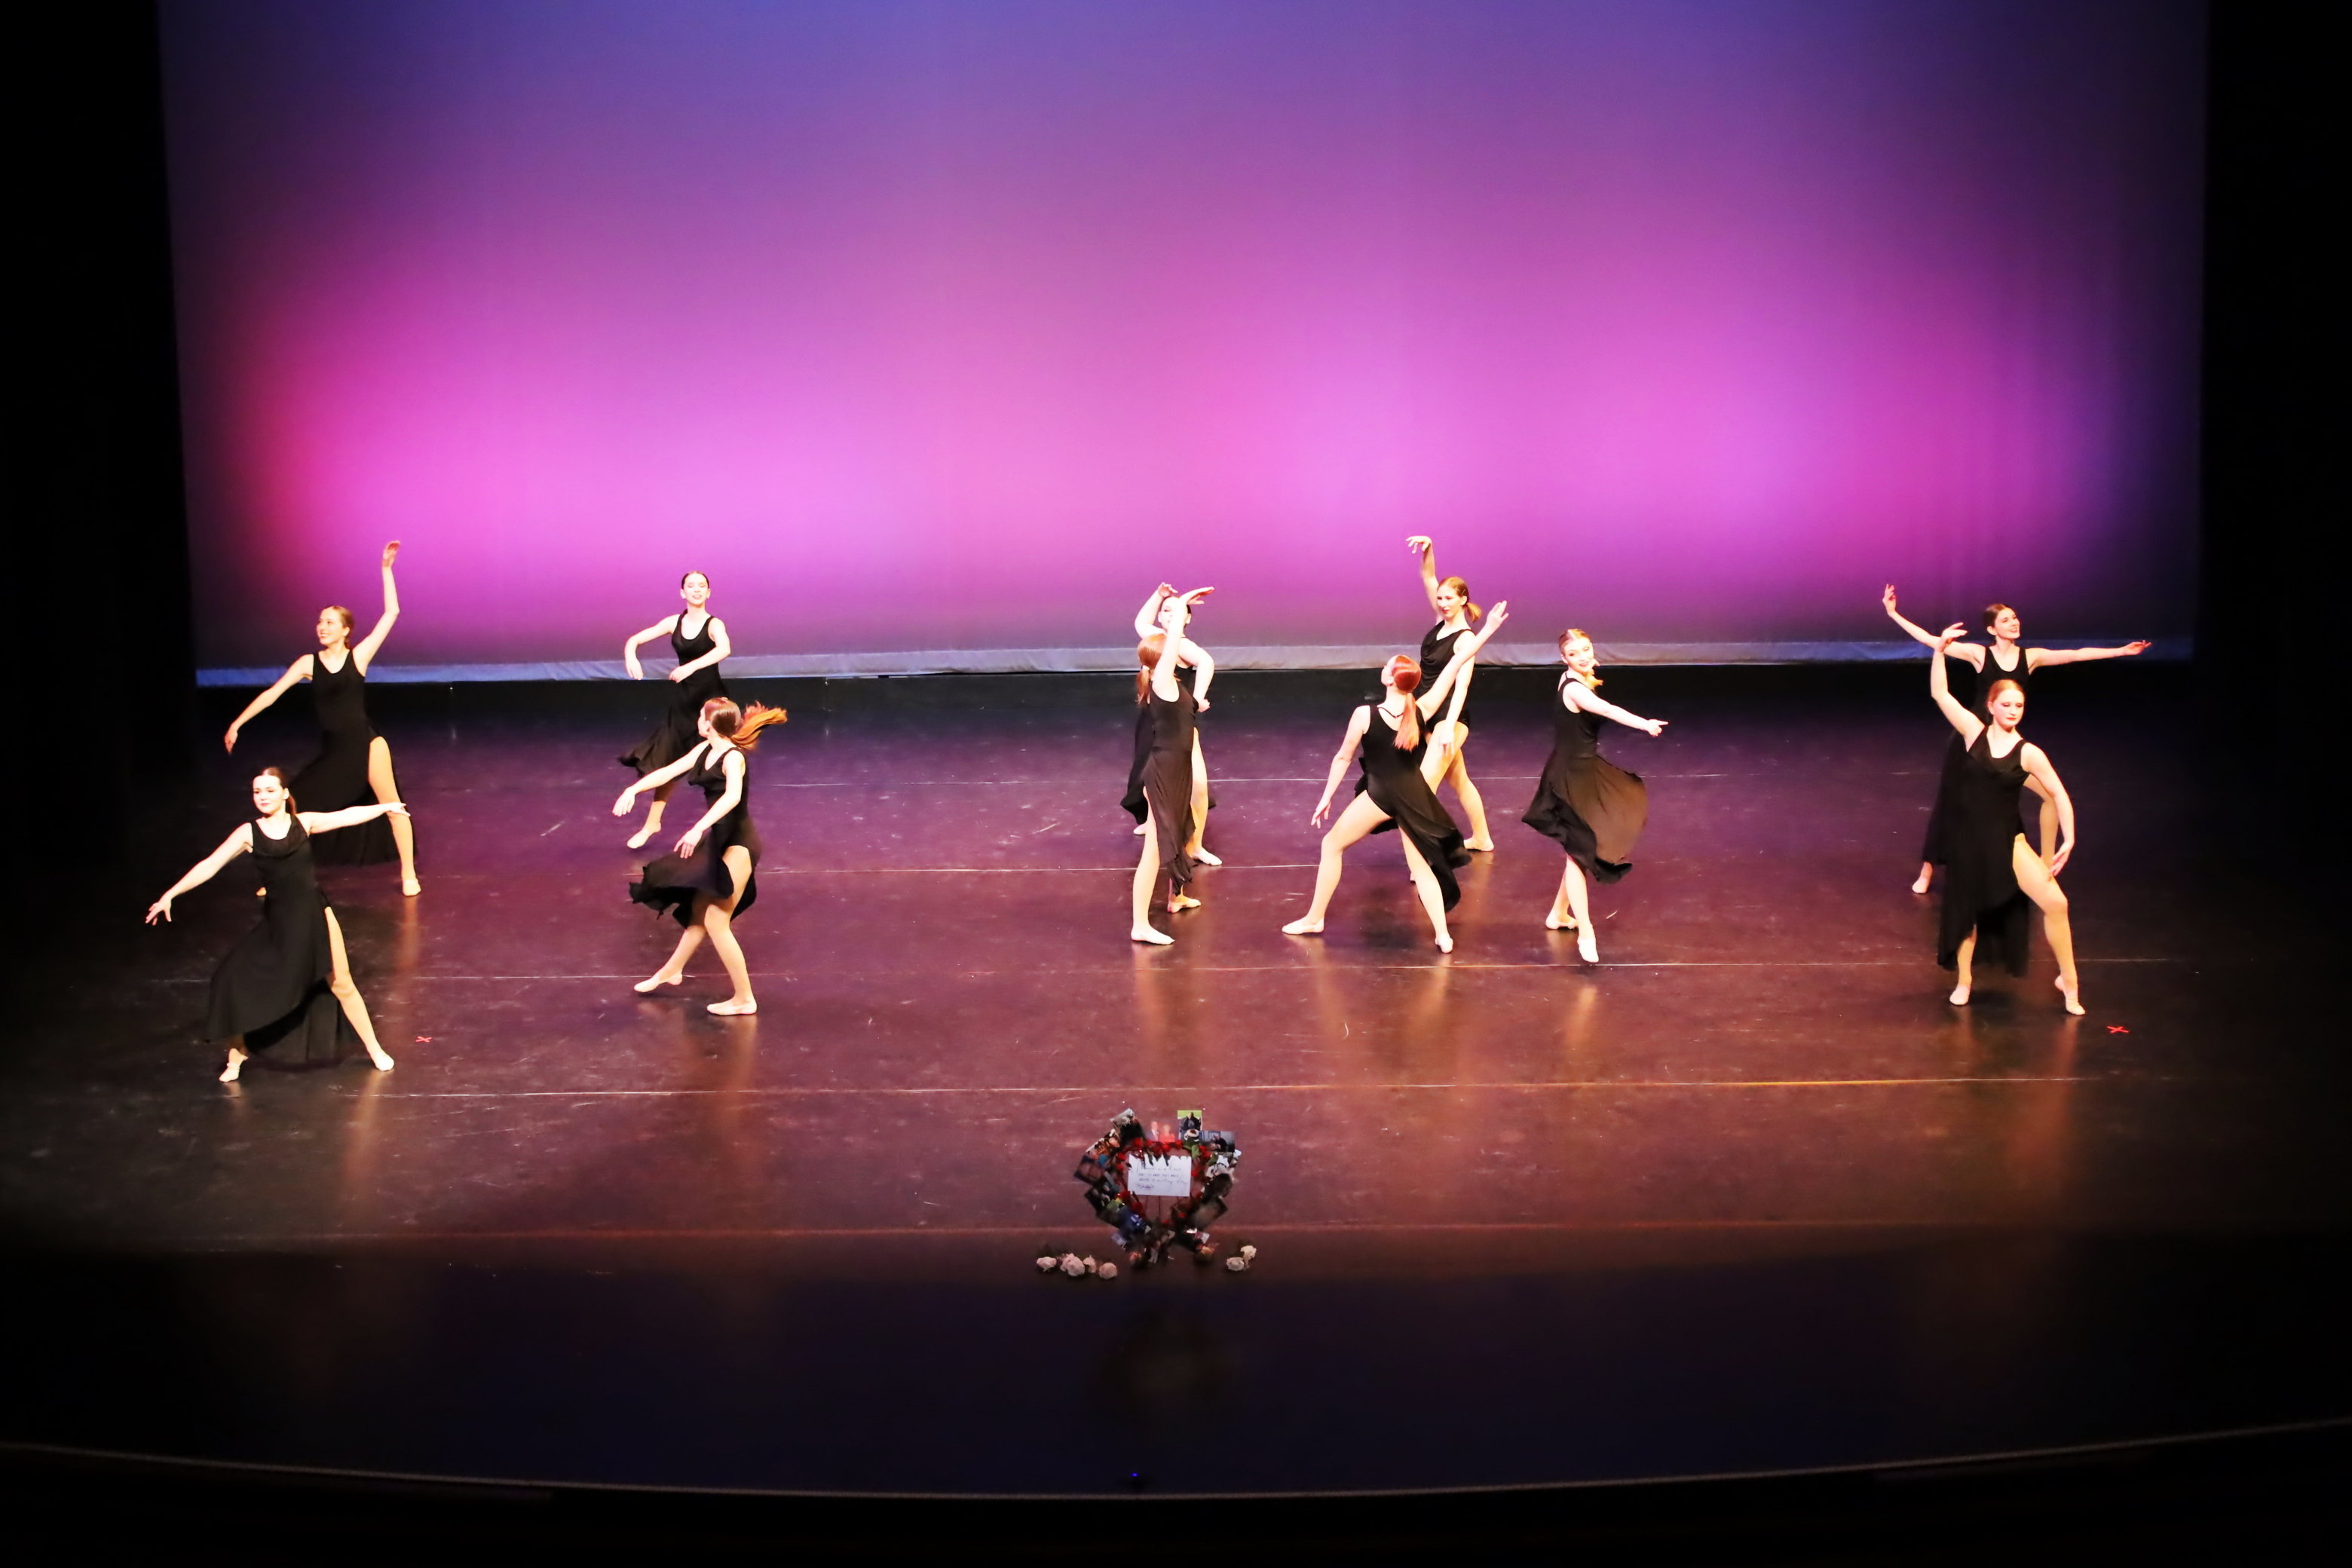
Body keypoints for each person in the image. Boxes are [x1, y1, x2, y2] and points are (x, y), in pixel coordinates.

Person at [145, 767, 406, 1081]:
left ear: (284, 794)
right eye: (257, 792)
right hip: (280, 923)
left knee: (342, 983)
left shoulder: (304, 823)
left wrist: (385, 807)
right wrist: (171, 894)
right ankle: (237, 1056)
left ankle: (375, 1050)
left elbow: (345, 816)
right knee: (233, 980)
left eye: (270, 790)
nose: (263, 796)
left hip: (315, 914)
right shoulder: (248, 833)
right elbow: (210, 864)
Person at [1884, 586, 2148, 893]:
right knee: (1952, 805)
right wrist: (1893, 613)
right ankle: (1928, 870)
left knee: (2051, 795)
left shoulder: (2031, 658)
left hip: (2007, 746)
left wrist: (2121, 651)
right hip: (1972, 739)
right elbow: (1931, 641)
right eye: (2006, 620)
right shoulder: (1979, 654)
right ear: (1992, 629)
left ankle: (2046, 867)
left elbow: (2075, 655)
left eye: (2015, 618)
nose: (2014, 623)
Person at [1282, 603, 1510, 952]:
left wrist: (1326, 797)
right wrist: (1489, 630)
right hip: (1415, 796)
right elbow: (1456, 663)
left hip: (1381, 796)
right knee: (1421, 868)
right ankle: (1443, 935)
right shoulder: (1422, 709)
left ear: (1390, 679)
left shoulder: (1365, 714)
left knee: (1331, 845)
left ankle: (1315, 918)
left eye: (1388, 666)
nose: (1385, 667)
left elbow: (1343, 758)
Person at [223, 541, 420, 893]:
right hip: (334, 751)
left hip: (367, 745)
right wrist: (238, 723)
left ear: (345, 630)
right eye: (320, 621)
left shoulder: (358, 657)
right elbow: (272, 694)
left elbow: (391, 614)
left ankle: (409, 875)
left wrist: (386, 570)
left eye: (330, 622)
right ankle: (282, 876)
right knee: (294, 805)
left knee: (392, 806)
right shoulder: (308, 663)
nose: (322, 626)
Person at [1925, 623, 2084, 1015]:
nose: (2014, 711)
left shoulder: (2029, 752)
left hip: (2009, 843)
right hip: (1969, 844)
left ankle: (2070, 983)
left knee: (2057, 903)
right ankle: (1964, 981)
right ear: (1992, 706)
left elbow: (2059, 794)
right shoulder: (1973, 733)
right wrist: (1940, 651)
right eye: (2007, 705)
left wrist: (2069, 838)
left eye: (2020, 706)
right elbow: (1940, 693)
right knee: (1968, 917)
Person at [615, 696, 786, 1014]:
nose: (697, 720)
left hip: (740, 843)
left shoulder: (733, 758)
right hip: (720, 839)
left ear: (709, 724)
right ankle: (672, 970)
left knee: (716, 920)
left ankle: (744, 999)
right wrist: (633, 790)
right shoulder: (705, 750)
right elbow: (667, 773)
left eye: (700, 717)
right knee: (699, 911)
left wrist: (697, 828)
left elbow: (732, 797)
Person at [1523, 629, 1668, 964]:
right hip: (1570, 778)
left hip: (1582, 771)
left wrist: (1586, 667)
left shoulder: (1574, 677)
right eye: (1574, 654)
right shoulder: (1575, 688)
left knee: (1578, 848)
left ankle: (1558, 914)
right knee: (1579, 852)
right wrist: (1644, 723)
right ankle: (1586, 932)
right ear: (1564, 660)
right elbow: (1609, 710)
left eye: (1586, 649)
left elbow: (1586, 677)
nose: (1583, 657)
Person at [619, 571, 733, 850]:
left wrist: (691, 666)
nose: (696, 589)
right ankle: (652, 825)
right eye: (691, 586)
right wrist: (631, 656)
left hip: (710, 704)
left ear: (709, 592)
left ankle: (724, 830)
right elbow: (635, 639)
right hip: (683, 704)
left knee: (720, 764)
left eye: (702, 586)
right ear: (683, 593)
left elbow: (724, 649)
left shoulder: (714, 624)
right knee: (670, 764)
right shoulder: (674, 623)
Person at [1130, 589, 1215, 945]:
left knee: (1180, 833)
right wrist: (1181, 605)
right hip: (1164, 773)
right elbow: (1174, 634)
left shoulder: (1172, 687)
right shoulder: (1162, 683)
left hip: (1176, 770)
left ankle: (1176, 898)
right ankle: (1140, 925)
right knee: (1154, 849)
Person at [1404, 536, 1496, 849]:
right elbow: (1428, 575)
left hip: (1449, 717)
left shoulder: (1465, 638)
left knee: (1424, 785)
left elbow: (1462, 687)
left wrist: (1448, 729)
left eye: (1449, 599)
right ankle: (1482, 838)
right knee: (1459, 780)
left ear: (1462, 600)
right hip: (1426, 710)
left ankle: (1424, 854)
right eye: (1440, 598)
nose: (1443, 603)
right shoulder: (1439, 622)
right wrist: (1429, 548)